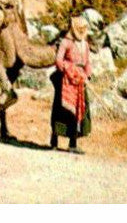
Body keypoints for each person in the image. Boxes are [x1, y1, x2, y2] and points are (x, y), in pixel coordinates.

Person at [49, 15, 93, 153]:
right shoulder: (66, 42)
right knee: (61, 109)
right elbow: (59, 60)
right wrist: (69, 71)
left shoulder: (85, 44)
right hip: (66, 80)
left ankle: (72, 143)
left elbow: (87, 62)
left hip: (79, 81)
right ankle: (54, 140)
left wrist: (87, 75)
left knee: (79, 109)